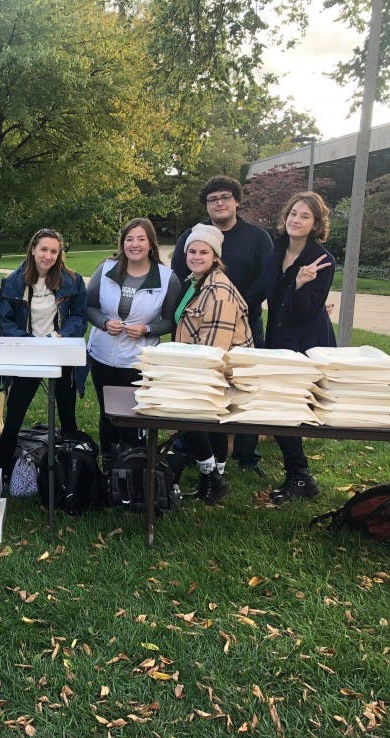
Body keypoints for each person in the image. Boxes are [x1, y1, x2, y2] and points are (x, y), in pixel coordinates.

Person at [171, 175, 273, 474]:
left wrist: (236, 304)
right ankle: (201, 451)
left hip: (240, 319)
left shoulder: (256, 237)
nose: (219, 203)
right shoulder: (194, 235)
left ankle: (243, 455)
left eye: (225, 197)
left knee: (237, 387)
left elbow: (266, 277)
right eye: (213, 198)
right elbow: (180, 273)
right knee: (210, 392)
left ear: (237, 201)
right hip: (199, 317)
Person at [0, 228, 88, 481]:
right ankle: (3, 470)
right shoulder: (14, 281)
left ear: (59, 254)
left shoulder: (72, 280)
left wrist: (60, 336)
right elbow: (5, 322)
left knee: (67, 412)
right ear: (33, 250)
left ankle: (73, 469)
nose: (48, 255)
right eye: (44, 249)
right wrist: (29, 343)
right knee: (15, 413)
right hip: (29, 354)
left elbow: (80, 317)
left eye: (54, 251)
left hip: (59, 352)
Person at [173, 223, 253, 504]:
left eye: (203, 252)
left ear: (215, 257)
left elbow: (215, 350)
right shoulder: (196, 282)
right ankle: (215, 480)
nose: (196, 256)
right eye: (192, 251)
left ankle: (212, 477)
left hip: (216, 369)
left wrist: (188, 376)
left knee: (187, 416)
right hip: (198, 363)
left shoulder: (218, 291)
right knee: (211, 424)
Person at [87, 217, 180, 459]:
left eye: (141, 239)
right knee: (108, 413)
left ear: (151, 244)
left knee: (133, 416)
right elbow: (88, 307)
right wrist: (105, 323)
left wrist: (147, 329)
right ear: (122, 243)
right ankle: (108, 465)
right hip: (102, 356)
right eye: (129, 239)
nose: (134, 244)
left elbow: (171, 321)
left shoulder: (166, 277)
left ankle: (134, 466)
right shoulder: (106, 269)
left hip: (138, 360)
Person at [264, 191, 336, 502]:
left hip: (306, 342)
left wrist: (298, 285)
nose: (297, 219)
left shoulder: (321, 261)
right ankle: (299, 474)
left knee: (289, 408)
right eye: (294, 213)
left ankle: (300, 476)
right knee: (277, 407)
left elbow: (304, 312)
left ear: (316, 223)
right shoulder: (276, 249)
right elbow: (267, 293)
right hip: (278, 337)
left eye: (305, 216)